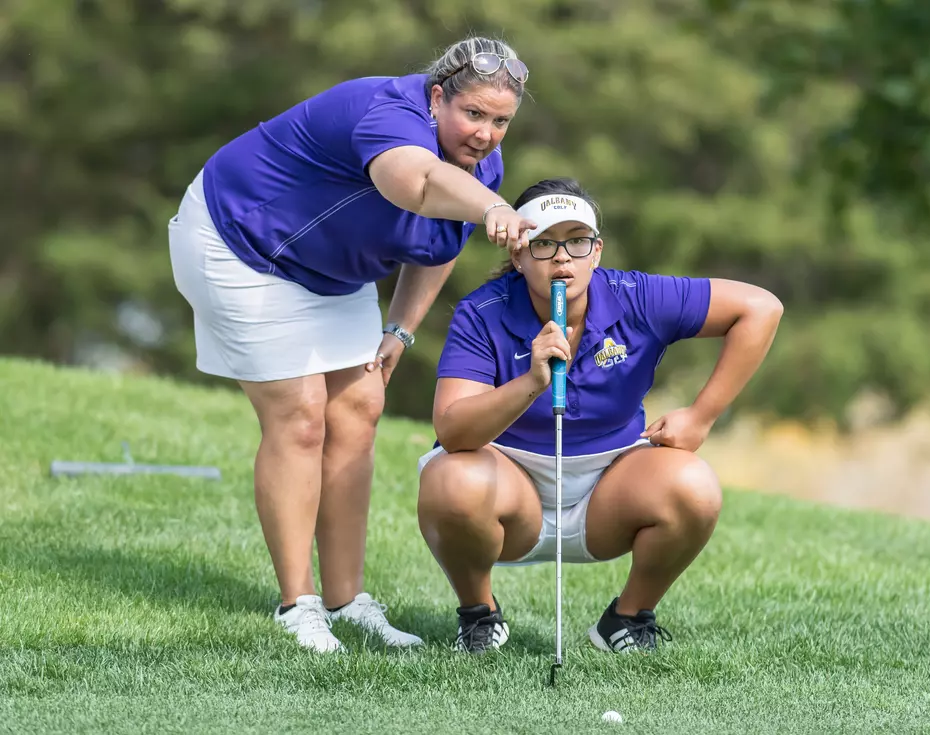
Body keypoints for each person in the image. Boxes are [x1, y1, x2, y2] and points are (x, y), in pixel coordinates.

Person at [167, 36, 537, 654]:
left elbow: (435, 244)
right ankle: (298, 606)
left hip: (330, 272)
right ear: (438, 96)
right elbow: (415, 186)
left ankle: (347, 600)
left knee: (360, 407)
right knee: (302, 414)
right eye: (474, 114)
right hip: (241, 243)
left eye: (501, 121)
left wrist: (400, 329)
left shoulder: (480, 167)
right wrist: (493, 205)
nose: (486, 134)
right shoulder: (387, 113)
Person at [416, 177, 784, 653]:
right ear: (518, 256)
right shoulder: (481, 312)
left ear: (597, 251)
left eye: (576, 241)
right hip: (508, 479)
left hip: (610, 483)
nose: (562, 257)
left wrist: (701, 415)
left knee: (694, 486)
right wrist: (530, 383)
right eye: (544, 243)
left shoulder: (638, 296)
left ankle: (627, 620)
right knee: (450, 481)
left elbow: (761, 308)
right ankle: (479, 617)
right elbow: (452, 430)